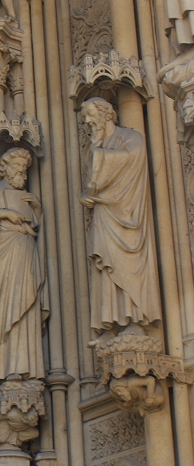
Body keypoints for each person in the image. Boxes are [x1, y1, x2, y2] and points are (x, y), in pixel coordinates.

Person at [79, 98, 161, 337]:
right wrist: (87, 198)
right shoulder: (93, 147)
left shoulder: (130, 137)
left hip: (128, 212)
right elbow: (92, 184)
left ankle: (135, 320)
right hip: (104, 215)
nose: (87, 121)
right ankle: (110, 323)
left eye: (90, 115)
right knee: (106, 266)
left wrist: (98, 151)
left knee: (128, 266)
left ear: (105, 113)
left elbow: (131, 161)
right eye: (85, 118)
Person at [0, 147, 48, 385]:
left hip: (26, 252)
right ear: (5, 168)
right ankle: (6, 368)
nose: (22, 173)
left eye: (24, 169)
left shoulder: (28, 196)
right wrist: (5, 214)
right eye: (17, 167)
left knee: (28, 306)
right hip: (4, 254)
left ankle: (29, 368)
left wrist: (37, 208)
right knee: (7, 305)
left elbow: (37, 227)